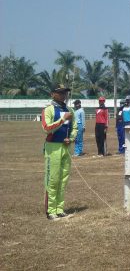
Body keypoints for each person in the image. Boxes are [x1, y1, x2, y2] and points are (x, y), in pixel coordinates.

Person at [41, 85, 78, 220]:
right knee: (53, 179)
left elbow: (74, 127)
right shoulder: (48, 110)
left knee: (63, 179)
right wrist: (62, 119)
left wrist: (71, 138)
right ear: (53, 94)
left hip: (65, 147)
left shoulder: (69, 110)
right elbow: (46, 128)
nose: (64, 95)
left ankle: (60, 208)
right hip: (52, 147)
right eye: (61, 93)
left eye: (65, 93)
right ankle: (51, 210)